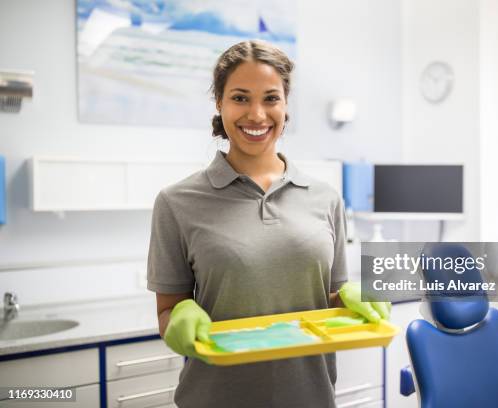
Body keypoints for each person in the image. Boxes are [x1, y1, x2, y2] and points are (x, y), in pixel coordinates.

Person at [147, 39, 391, 408]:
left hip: (311, 397)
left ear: (286, 103)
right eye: (240, 98)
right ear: (219, 103)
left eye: (270, 98)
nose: (257, 115)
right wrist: (177, 316)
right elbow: (168, 311)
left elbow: (329, 299)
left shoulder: (326, 198)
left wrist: (352, 298)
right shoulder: (176, 202)